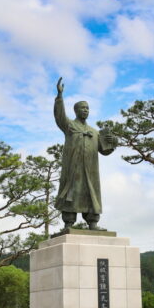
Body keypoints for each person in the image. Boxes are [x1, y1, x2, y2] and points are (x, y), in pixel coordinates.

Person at [53, 77, 116, 231]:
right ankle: (68, 223)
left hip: (91, 171)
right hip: (73, 169)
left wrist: (113, 141)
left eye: (87, 108)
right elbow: (59, 117)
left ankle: (92, 222)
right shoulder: (70, 126)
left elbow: (104, 150)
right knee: (71, 193)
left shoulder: (94, 132)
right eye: (82, 108)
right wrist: (60, 97)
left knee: (91, 193)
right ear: (76, 110)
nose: (85, 110)